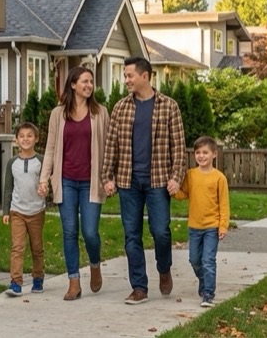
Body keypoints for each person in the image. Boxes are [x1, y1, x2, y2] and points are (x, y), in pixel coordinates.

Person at [101, 56, 186, 305]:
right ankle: (139, 287)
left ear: (145, 76)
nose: (126, 80)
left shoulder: (169, 106)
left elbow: (178, 147)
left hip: (158, 180)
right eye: (125, 76)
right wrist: (107, 177)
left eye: (129, 75)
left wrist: (176, 177)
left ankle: (164, 267)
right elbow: (111, 145)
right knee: (131, 236)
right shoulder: (121, 107)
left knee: (161, 232)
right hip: (128, 182)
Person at [39, 65, 109, 301]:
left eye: (91, 82)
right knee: (69, 232)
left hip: (91, 182)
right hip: (66, 181)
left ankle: (95, 264)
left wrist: (109, 178)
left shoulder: (100, 113)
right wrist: (44, 179)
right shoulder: (58, 114)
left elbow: (109, 150)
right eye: (84, 82)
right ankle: (73, 282)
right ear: (72, 85)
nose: (89, 85)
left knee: (90, 233)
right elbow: (50, 149)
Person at [174, 136, 230, 308]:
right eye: (198, 152)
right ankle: (203, 279)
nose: (201, 156)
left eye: (205, 152)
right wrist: (172, 190)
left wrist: (223, 226)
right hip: (194, 227)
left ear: (214, 154)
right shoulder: (190, 175)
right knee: (194, 260)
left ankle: (208, 293)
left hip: (211, 227)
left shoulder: (219, 178)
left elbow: (224, 204)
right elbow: (183, 194)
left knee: (208, 260)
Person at [1, 121, 48, 296]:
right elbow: (8, 188)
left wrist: (46, 191)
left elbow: (47, 183)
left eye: (29, 136)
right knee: (17, 247)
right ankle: (16, 283)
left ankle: (38, 278)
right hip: (17, 211)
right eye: (22, 136)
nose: (25, 139)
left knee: (37, 247)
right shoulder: (12, 163)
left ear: (36, 138)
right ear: (16, 140)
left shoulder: (41, 161)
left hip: (36, 211)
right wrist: (6, 211)